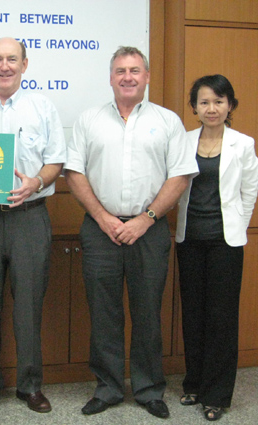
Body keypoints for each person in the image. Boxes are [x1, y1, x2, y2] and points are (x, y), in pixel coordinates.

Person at [64, 46, 199, 419]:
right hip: (100, 230)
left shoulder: (168, 121)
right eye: (121, 70)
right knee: (103, 313)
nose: (128, 77)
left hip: (150, 230)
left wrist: (146, 219)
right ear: (110, 77)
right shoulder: (89, 120)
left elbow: (180, 175)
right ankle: (107, 388)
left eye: (135, 70)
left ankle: (149, 389)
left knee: (147, 313)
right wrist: (103, 217)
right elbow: (74, 172)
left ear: (147, 76)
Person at [0, 37, 66, 418]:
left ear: (25, 64)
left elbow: (56, 161)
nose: (5, 66)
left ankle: (30, 385)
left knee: (29, 307)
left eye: (12, 59)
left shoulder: (43, 108)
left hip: (29, 217)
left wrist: (36, 181)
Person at [175, 75, 258, 421]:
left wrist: (238, 226)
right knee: (193, 315)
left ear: (230, 105)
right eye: (205, 102)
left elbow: (249, 192)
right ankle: (194, 384)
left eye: (219, 101)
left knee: (221, 320)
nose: (212, 108)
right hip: (189, 241)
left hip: (225, 244)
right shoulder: (183, 141)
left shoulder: (243, 143)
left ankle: (217, 395)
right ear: (194, 107)